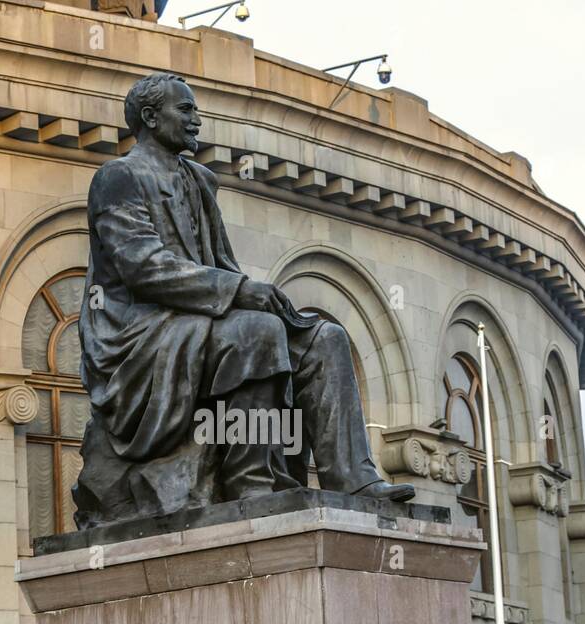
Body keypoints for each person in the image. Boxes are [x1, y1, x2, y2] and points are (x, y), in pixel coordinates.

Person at [74, 72, 413, 528]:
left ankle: (354, 479)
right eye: (186, 110)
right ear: (151, 118)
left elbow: (221, 262)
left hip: (198, 317)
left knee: (324, 338)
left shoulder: (198, 180)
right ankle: (251, 482)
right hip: (142, 334)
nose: (198, 120)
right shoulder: (118, 177)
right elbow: (141, 266)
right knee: (255, 332)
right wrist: (239, 293)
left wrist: (264, 299)